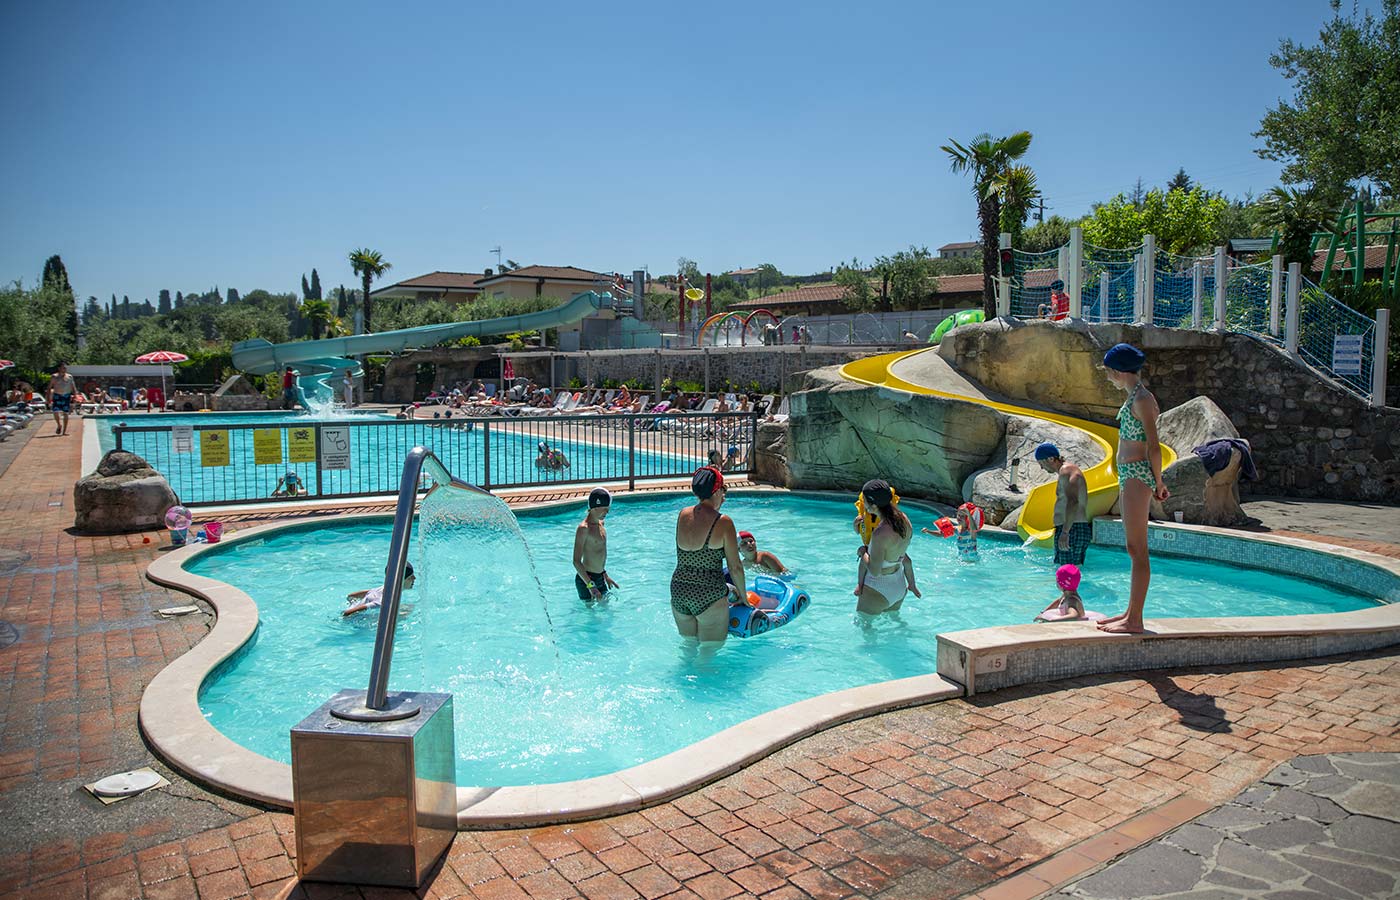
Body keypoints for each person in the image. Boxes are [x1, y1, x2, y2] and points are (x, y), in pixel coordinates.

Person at [1099, 343, 1170, 634]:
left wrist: (1159, 481)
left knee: (1138, 548)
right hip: (1131, 475)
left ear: (1117, 371)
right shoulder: (1135, 397)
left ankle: (1135, 620)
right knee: (1133, 547)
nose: (1107, 377)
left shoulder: (1142, 399)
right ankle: (1130, 612)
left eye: (1108, 372)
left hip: (1138, 475)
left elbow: (1154, 446)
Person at [670, 466, 745, 643]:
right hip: (709, 592)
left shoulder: (683, 514)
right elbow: (735, 568)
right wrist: (743, 597)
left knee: (688, 648)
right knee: (709, 654)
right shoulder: (723, 522)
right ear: (717, 490)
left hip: (679, 590)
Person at [852, 479, 921, 619]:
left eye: (864, 500)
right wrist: (912, 584)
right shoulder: (905, 520)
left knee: (866, 633)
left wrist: (862, 552)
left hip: (878, 589)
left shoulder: (880, 534)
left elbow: (874, 570)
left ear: (872, 505)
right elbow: (906, 559)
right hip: (899, 586)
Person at [1036, 443, 1091, 571]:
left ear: (1050, 459)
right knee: (1068, 574)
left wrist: (1065, 532)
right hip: (1074, 528)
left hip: (1072, 529)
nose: (1041, 467)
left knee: (1067, 575)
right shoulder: (1066, 472)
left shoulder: (1067, 471)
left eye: (1041, 463)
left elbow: (1073, 501)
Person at [573, 488, 619, 602]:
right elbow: (576, 561)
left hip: (600, 578)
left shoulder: (601, 524)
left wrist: (605, 574)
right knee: (589, 615)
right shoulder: (584, 529)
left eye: (608, 509)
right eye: (604, 509)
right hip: (586, 580)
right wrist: (590, 586)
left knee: (606, 611)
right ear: (595, 507)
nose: (607, 512)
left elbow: (598, 554)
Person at [344, 563, 415, 617]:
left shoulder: (383, 588)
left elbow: (351, 596)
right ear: (400, 581)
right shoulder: (382, 602)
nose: (414, 578)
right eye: (410, 577)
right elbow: (347, 613)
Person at [47, 363, 76, 435]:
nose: (64, 369)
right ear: (59, 368)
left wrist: (75, 395)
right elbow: (49, 387)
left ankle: (64, 431)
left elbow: (73, 386)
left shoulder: (69, 376)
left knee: (66, 413)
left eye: (65, 368)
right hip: (57, 395)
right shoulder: (54, 377)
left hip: (66, 396)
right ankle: (59, 425)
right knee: (55, 411)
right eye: (63, 368)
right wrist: (48, 398)